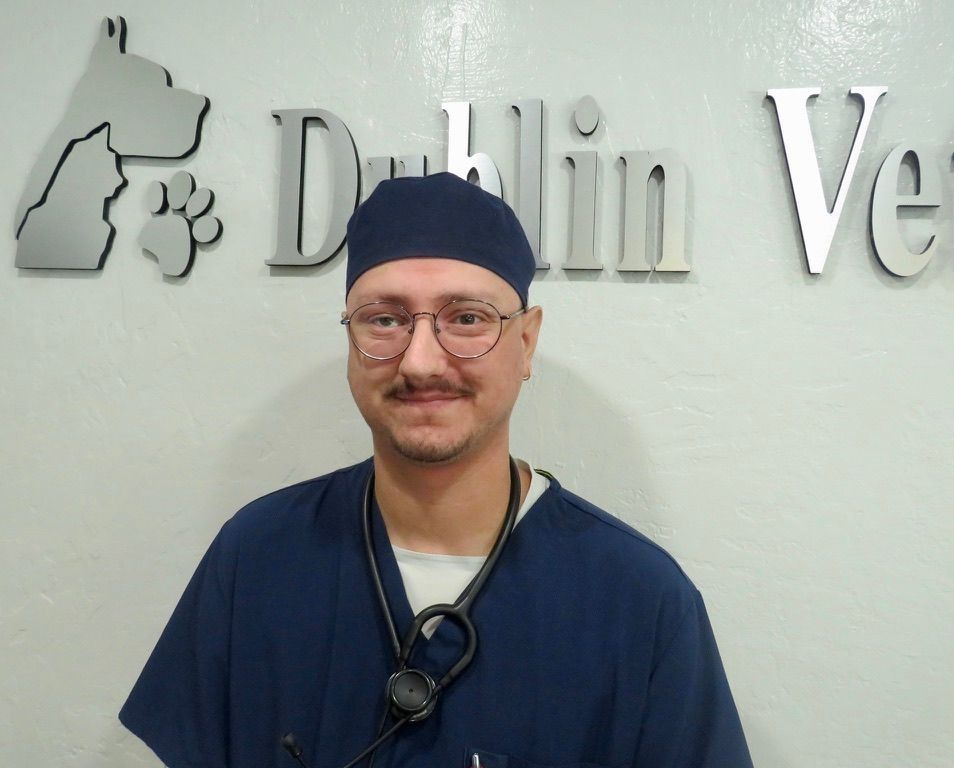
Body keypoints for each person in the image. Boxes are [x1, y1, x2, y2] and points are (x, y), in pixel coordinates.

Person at [120, 172, 754, 768]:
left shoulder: (638, 600)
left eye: (467, 318)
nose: (421, 362)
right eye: (385, 319)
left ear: (526, 342)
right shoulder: (257, 557)